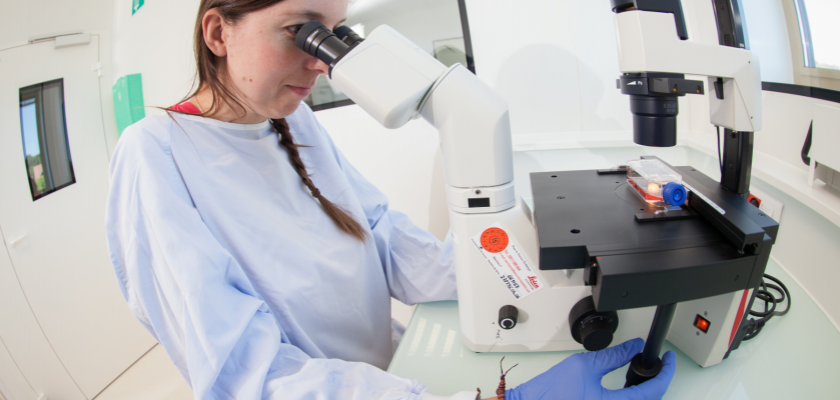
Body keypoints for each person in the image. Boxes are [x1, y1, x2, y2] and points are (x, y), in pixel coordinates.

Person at [104, 0, 676, 399]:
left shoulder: (295, 121)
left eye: (335, 31)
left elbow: (385, 237)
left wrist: (536, 270)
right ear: (218, 32)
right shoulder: (156, 155)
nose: (322, 59)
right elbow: (248, 378)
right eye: (299, 30)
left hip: (390, 371)